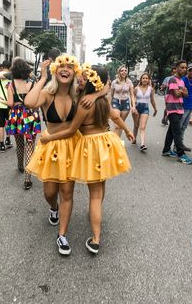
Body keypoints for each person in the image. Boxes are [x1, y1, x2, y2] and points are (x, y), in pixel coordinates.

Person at [39, 64, 134, 255]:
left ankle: (96, 238)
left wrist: (49, 137)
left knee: (95, 195)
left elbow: (72, 130)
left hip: (90, 147)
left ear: (90, 81)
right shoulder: (102, 101)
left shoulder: (84, 103)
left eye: (83, 77)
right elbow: (115, 115)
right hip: (106, 144)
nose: (80, 79)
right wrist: (128, 130)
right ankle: (96, 225)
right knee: (100, 189)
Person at [25, 56, 108, 256]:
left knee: (67, 193)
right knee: (49, 192)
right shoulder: (47, 93)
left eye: (70, 67)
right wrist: (43, 77)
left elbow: (105, 86)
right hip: (51, 147)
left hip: (73, 147)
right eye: (61, 66)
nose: (65, 69)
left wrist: (96, 96)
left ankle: (62, 235)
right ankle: (53, 208)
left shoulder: (78, 94)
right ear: (55, 70)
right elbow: (29, 103)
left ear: (75, 73)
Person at [0, 57, 44, 190]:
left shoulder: (11, 84)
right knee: (30, 146)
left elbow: (10, 104)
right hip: (30, 115)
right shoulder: (32, 83)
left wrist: (3, 100)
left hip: (15, 116)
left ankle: (20, 165)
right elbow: (36, 104)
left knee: (19, 144)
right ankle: (27, 179)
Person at [162, 60, 192, 165]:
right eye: (182, 67)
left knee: (171, 130)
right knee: (177, 132)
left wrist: (183, 92)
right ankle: (181, 154)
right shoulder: (172, 79)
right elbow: (176, 94)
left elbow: (186, 94)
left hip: (180, 108)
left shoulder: (182, 81)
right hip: (172, 108)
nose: (184, 69)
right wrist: (182, 92)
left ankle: (166, 150)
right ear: (176, 68)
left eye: (185, 68)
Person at [132, 73, 157, 151]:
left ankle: (142, 144)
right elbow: (132, 99)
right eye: (143, 78)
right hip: (136, 108)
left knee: (142, 127)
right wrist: (133, 108)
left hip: (145, 109)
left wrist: (155, 109)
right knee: (136, 126)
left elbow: (152, 100)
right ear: (141, 79)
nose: (145, 79)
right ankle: (134, 138)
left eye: (146, 78)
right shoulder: (136, 88)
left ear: (148, 80)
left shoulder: (151, 89)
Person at [111, 65, 136, 136]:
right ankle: (113, 142)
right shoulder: (114, 82)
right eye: (122, 71)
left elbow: (132, 95)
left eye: (125, 71)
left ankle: (117, 142)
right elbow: (111, 95)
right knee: (116, 124)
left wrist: (133, 106)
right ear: (119, 72)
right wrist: (109, 105)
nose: (124, 72)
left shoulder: (129, 82)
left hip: (126, 103)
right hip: (116, 102)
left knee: (121, 124)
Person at [180, 64, 192, 151]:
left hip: (190, 105)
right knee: (179, 126)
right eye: (190, 70)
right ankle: (177, 146)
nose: (191, 72)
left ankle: (181, 144)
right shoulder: (183, 80)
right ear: (188, 71)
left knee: (184, 126)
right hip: (183, 105)